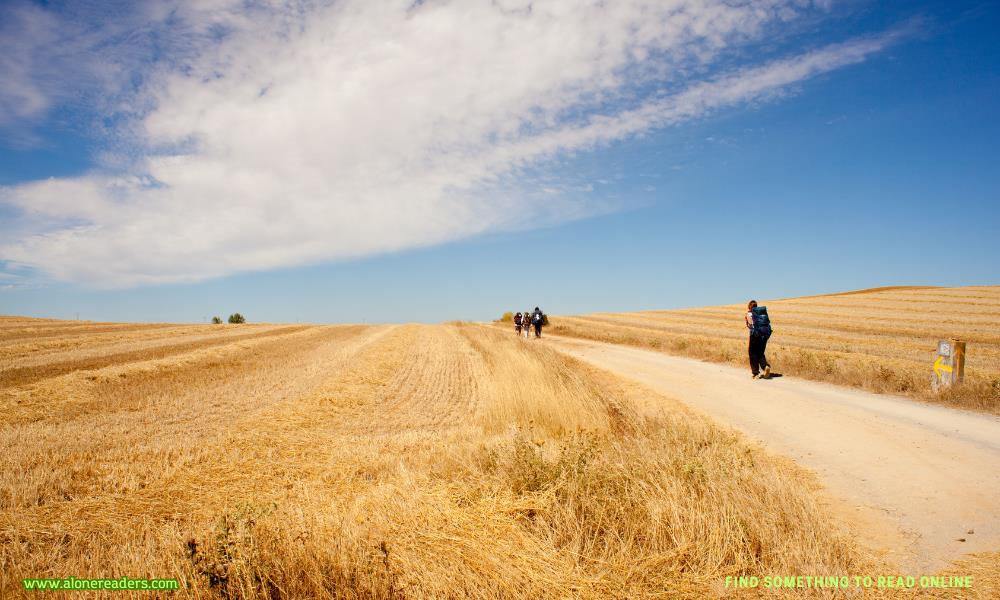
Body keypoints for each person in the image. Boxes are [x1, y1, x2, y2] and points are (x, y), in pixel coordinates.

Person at [746, 300, 771, 379]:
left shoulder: (749, 314)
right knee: (760, 352)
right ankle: (765, 366)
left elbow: (750, 326)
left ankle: (756, 373)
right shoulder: (762, 314)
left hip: (755, 335)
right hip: (764, 335)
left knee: (752, 353)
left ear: (749, 306)